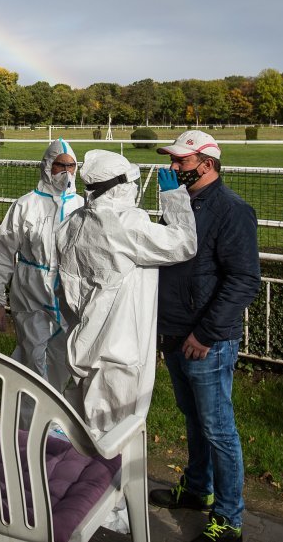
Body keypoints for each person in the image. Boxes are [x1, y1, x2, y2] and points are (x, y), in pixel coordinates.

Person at [149, 130, 261, 542]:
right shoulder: (181, 204)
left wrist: (206, 333)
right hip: (176, 333)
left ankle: (229, 519)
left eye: (181, 162)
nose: (173, 168)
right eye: (174, 161)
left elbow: (245, 280)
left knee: (218, 429)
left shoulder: (233, 211)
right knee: (193, 420)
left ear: (207, 165)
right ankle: (197, 490)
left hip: (206, 341)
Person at [56, 149, 197, 436]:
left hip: (83, 342)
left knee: (81, 427)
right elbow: (184, 243)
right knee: (112, 440)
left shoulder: (72, 222)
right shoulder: (127, 224)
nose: (135, 187)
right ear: (119, 185)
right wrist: (174, 198)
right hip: (120, 353)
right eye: (132, 181)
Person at [0, 138, 84, 391]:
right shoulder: (25, 205)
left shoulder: (83, 206)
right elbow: (2, 254)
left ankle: (58, 417)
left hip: (69, 297)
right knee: (33, 357)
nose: (66, 172)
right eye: (60, 165)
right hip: (31, 294)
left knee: (67, 359)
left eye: (71, 166)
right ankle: (28, 420)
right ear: (46, 166)